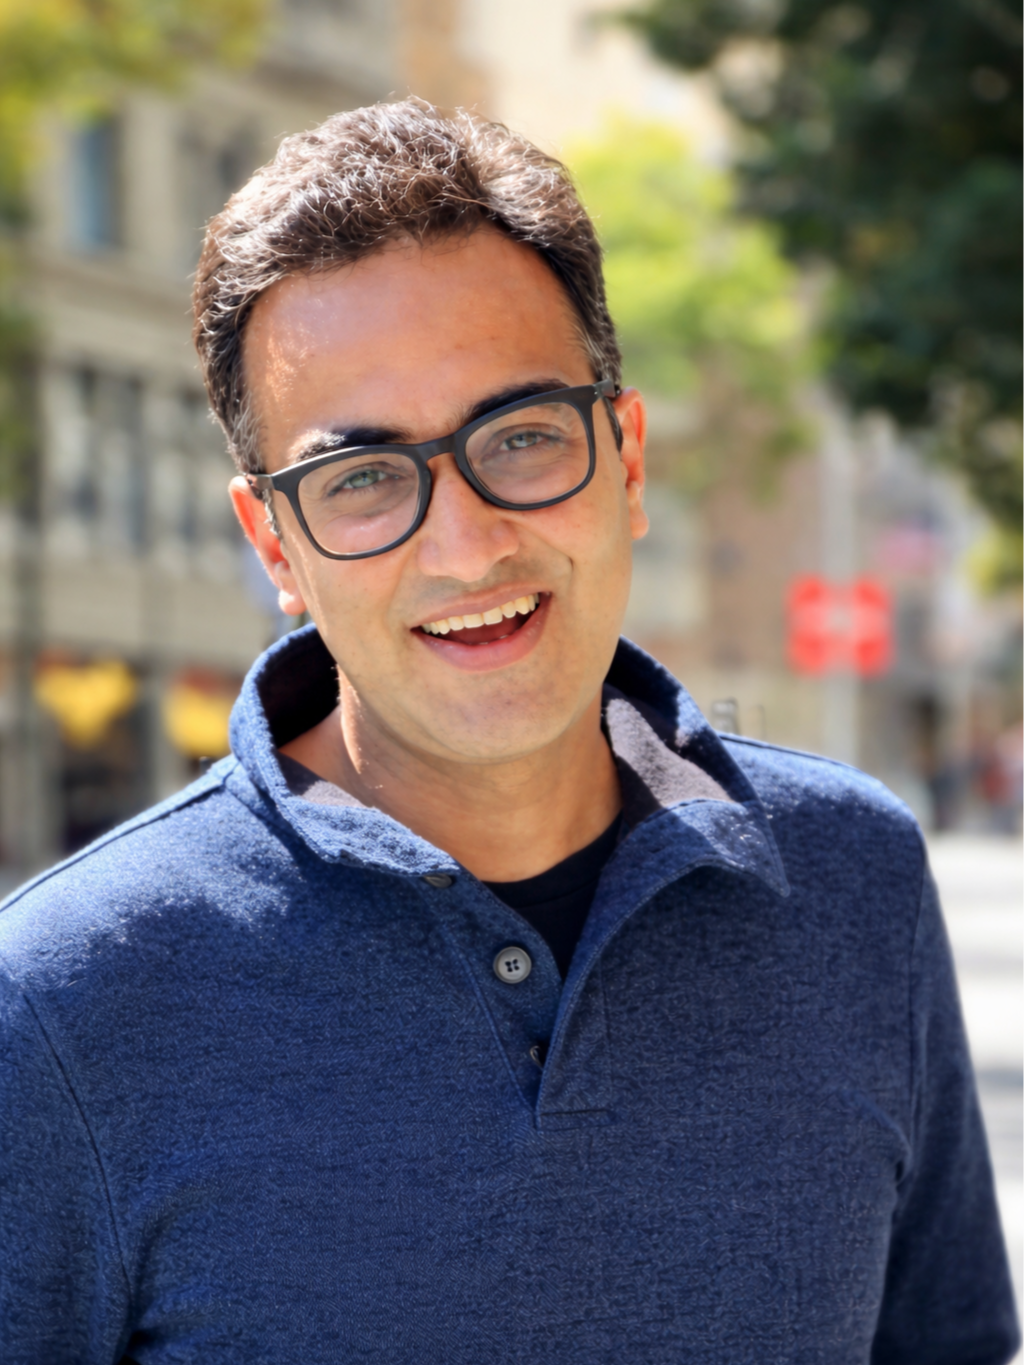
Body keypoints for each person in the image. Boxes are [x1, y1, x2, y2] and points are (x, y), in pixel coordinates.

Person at [0, 100, 1018, 1364]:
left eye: (522, 437)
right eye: (362, 478)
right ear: (274, 543)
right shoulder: (61, 998)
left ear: (628, 459)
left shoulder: (853, 880)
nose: (468, 542)